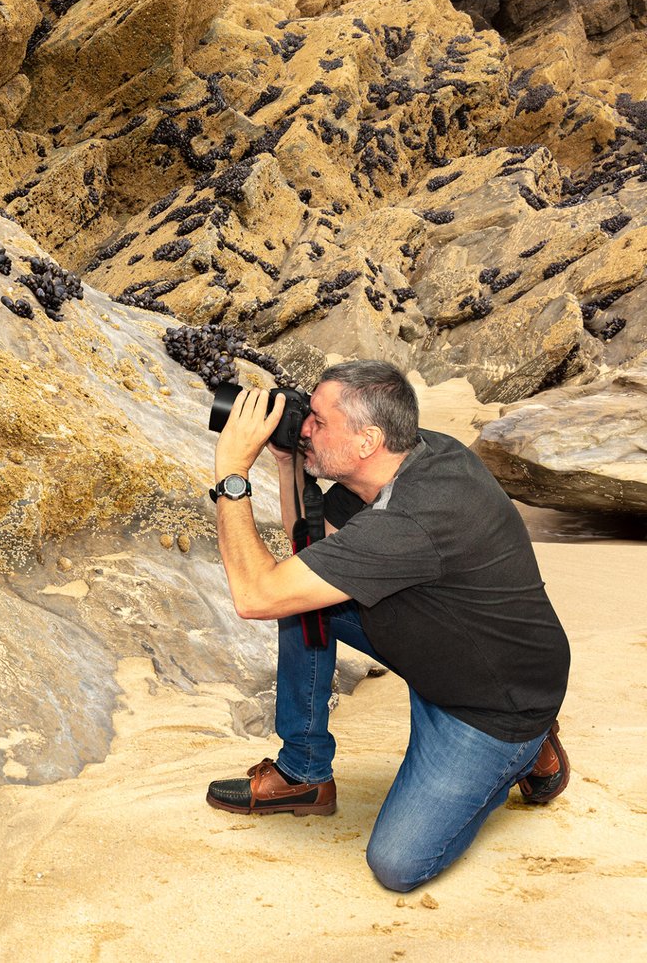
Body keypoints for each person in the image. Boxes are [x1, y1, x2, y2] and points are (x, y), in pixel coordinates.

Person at [203, 359, 571, 892]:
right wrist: (289, 466)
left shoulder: (417, 516)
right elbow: (312, 557)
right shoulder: (410, 458)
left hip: (494, 707)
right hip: (442, 652)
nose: (305, 426)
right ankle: (303, 773)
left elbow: (255, 595)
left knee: (397, 864)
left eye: (318, 422)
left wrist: (233, 474)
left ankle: (526, 751)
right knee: (304, 599)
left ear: (367, 440)